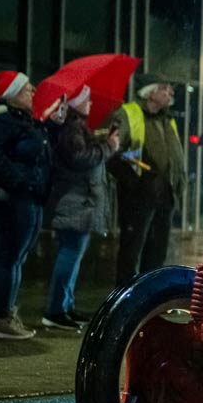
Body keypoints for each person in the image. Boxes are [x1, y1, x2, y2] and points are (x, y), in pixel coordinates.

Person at [0, 71, 52, 340]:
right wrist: (19, 182)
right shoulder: (1, 121)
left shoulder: (21, 120)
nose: (33, 93)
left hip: (27, 199)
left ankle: (7, 312)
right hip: (12, 201)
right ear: (12, 94)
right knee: (7, 258)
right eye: (27, 89)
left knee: (16, 259)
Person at [42, 85, 120, 329]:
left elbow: (82, 152)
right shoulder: (72, 129)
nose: (90, 103)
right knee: (70, 255)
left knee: (73, 257)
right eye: (86, 99)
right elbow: (80, 158)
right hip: (75, 203)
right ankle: (56, 311)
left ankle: (65, 306)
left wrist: (103, 142)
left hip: (79, 204)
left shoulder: (75, 128)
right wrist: (108, 146)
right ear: (75, 103)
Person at [107, 73, 185, 286]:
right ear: (150, 92)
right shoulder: (128, 114)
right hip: (138, 197)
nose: (170, 93)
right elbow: (112, 155)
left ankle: (149, 300)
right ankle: (125, 302)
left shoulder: (167, 120)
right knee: (131, 252)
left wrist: (178, 187)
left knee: (157, 253)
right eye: (164, 88)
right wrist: (134, 184)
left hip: (165, 195)